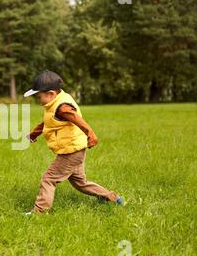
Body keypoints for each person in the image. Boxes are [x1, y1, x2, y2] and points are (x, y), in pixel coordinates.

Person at [23, 70, 124, 215]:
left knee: (48, 179)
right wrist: (34, 134)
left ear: (51, 94)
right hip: (75, 149)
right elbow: (48, 122)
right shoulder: (54, 104)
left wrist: (91, 133)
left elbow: (76, 118)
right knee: (80, 183)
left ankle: (39, 212)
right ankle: (113, 198)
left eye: (39, 96)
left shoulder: (62, 107)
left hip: (70, 152)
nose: (39, 100)